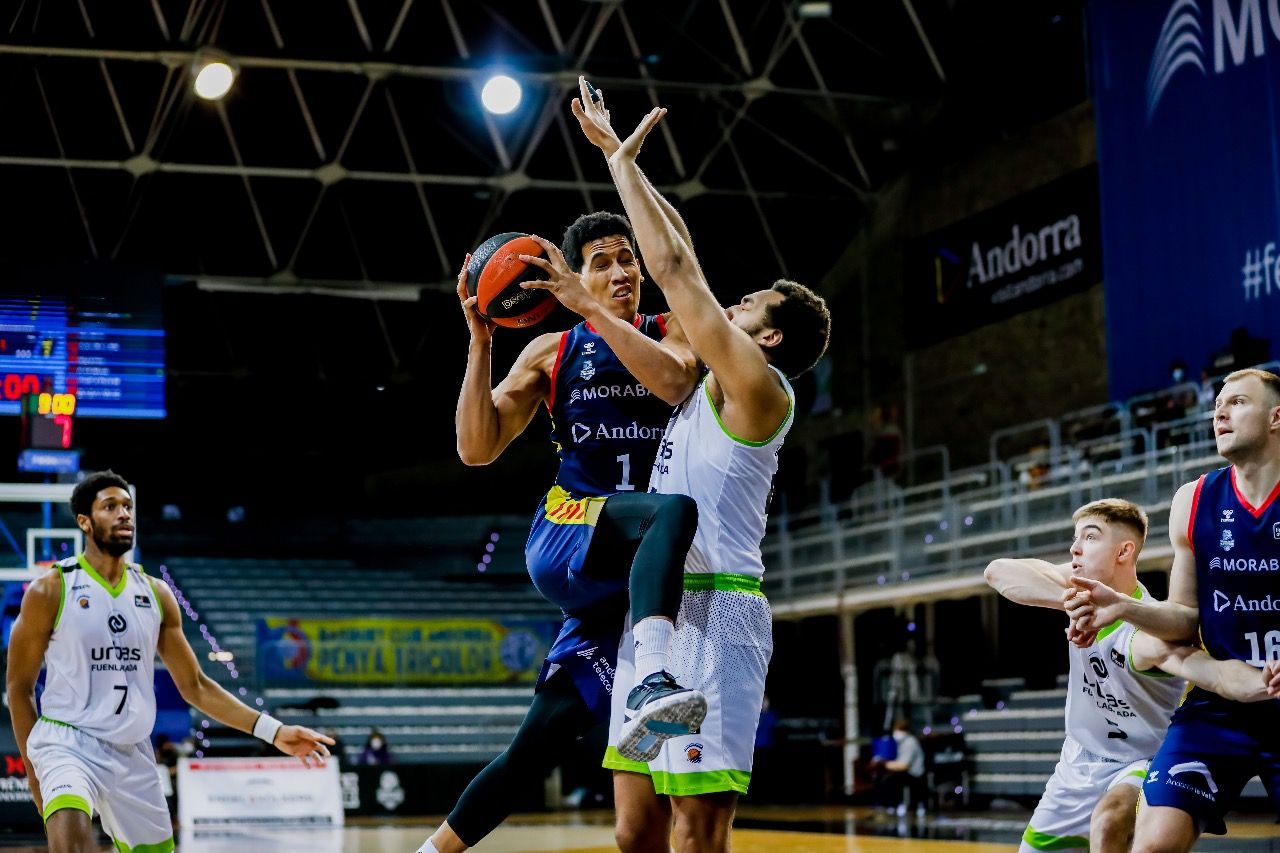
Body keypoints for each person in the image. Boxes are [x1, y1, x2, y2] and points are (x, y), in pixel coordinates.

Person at [560, 79, 830, 852]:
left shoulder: (758, 389)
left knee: (695, 827)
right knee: (634, 827)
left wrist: (618, 162)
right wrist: (633, 171)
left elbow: (677, 269)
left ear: (769, 340)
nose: (726, 306)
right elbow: (690, 267)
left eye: (746, 307)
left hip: (719, 611)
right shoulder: (705, 386)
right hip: (661, 611)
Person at [418, 210, 707, 853]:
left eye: (625, 258)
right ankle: (655, 680)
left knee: (536, 747)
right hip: (571, 528)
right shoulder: (552, 350)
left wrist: (591, 307)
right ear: (574, 277)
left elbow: (675, 380)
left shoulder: (673, 328)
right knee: (669, 509)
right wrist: (481, 342)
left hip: (635, 582)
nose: (619, 271)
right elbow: (476, 448)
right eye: (600, 263)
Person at [5, 470, 332, 853]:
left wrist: (274, 731)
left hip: (131, 750)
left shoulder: (156, 594)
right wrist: (33, 767)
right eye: (110, 507)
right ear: (85, 522)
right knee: (71, 842)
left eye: (127, 506)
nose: (124, 514)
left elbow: (196, 685)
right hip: (66, 743)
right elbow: (18, 686)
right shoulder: (51, 589)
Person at [1063, 369, 1280, 852]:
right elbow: (1184, 616)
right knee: (1153, 844)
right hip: (1220, 705)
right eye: (1217, 403)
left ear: (1275, 417)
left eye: (1238, 402)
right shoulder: (1193, 500)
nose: (1219, 412)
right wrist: (1122, 606)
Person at [987, 496, 1274, 853]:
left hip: (1140, 762)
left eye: (1090, 538)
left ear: (1123, 552)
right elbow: (998, 571)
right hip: (1077, 760)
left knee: (1109, 820)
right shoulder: (1079, 589)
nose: (1075, 548)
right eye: (1075, 538)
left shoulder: (1147, 631)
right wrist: (1073, 604)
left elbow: (1212, 673)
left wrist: (1264, 682)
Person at [872, 719, 927, 817]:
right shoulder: (900, 743)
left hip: (915, 774)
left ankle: (894, 806)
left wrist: (884, 765)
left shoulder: (910, 743)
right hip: (907, 772)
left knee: (890, 779)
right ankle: (887, 805)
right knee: (883, 777)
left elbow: (904, 765)